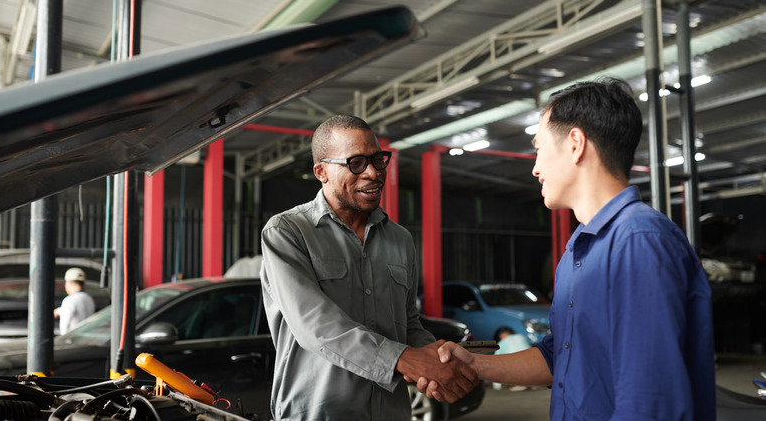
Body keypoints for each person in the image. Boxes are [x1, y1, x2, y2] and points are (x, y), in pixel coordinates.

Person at [419, 78, 716, 420]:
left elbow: (650, 400)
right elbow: (559, 357)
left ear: (575, 144)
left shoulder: (638, 242)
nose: (535, 168)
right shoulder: (579, 250)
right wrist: (474, 363)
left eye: (539, 148)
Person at [259, 114, 477, 420]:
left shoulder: (400, 239)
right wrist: (408, 360)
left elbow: (409, 323)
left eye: (378, 160)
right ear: (321, 171)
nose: (373, 173)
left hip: (390, 412)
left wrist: (437, 360)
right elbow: (315, 326)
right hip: (318, 413)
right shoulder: (287, 232)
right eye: (356, 163)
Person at [54, 267, 96, 334]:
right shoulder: (89, 298)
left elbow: (64, 328)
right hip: (87, 338)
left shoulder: (69, 300)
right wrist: (59, 311)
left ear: (69, 283)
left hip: (73, 340)